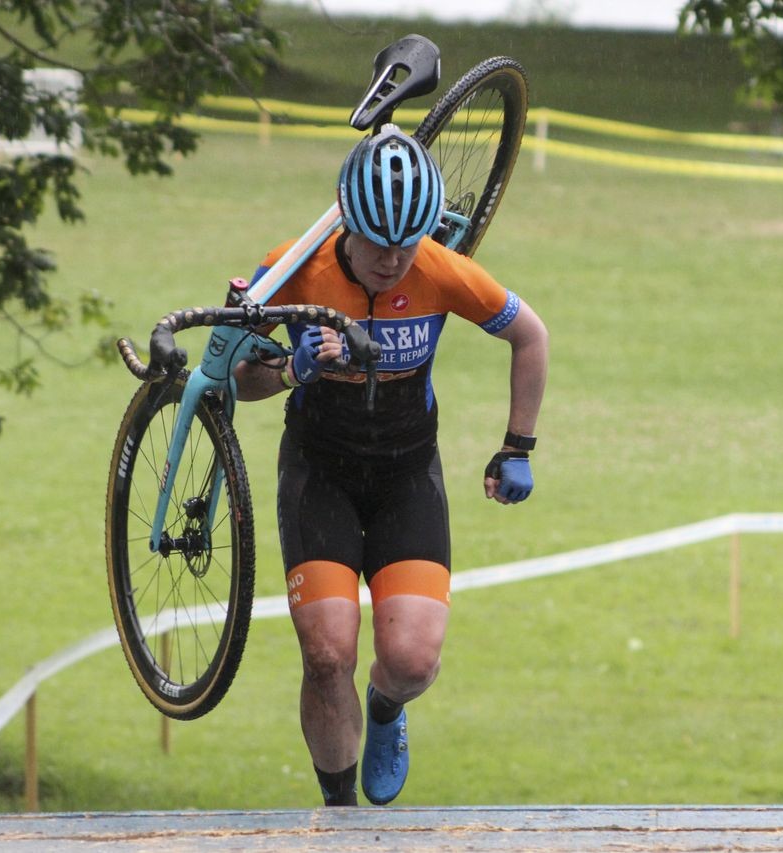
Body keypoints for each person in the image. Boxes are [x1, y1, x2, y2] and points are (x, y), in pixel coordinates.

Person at [233, 126, 549, 807]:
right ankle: (341, 816)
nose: (393, 260)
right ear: (348, 219)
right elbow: (235, 379)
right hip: (321, 475)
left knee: (411, 662)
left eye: (408, 243)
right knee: (327, 656)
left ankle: (383, 710)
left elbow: (531, 335)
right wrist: (291, 367)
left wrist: (517, 445)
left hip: (407, 475)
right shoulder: (293, 269)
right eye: (379, 242)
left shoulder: (437, 267)